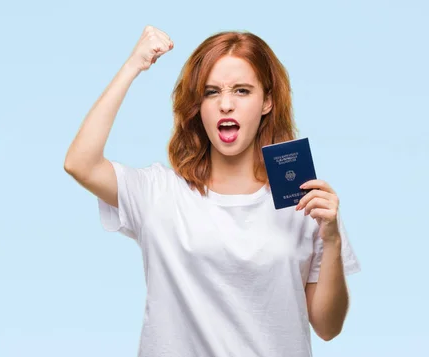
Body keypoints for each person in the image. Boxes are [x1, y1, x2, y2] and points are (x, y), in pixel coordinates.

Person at [64, 25, 361, 357]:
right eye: (211, 91)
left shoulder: (303, 200)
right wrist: (134, 64)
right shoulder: (159, 193)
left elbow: (328, 327)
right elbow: (81, 163)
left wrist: (331, 238)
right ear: (198, 105)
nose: (226, 104)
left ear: (267, 102)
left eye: (242, 91)